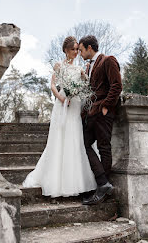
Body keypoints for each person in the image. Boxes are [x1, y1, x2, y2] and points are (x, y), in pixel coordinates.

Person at [22, 36, 96, 197]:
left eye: (77, 49)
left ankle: (76, 182)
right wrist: (61, 98)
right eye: (73, 49)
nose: (75, 52)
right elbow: (53, 86)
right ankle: (56, 181)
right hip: (62, 104)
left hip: (75, 104)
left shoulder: (79, 69)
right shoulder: (59, 66)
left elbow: (87, 85)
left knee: (75, 138)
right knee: (60, 138)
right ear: (65, 50)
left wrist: (84, 80)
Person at [79, 35, 122, 205]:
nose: (80, 54)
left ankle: (103, 186)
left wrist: (106, 106)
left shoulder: (108, 60)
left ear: (90, 48)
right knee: (84, 144)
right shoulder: (89, 66)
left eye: (81, 50)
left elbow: (116, 86)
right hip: (91, 114)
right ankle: (103, 182)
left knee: (104, 147)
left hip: (103, 113)